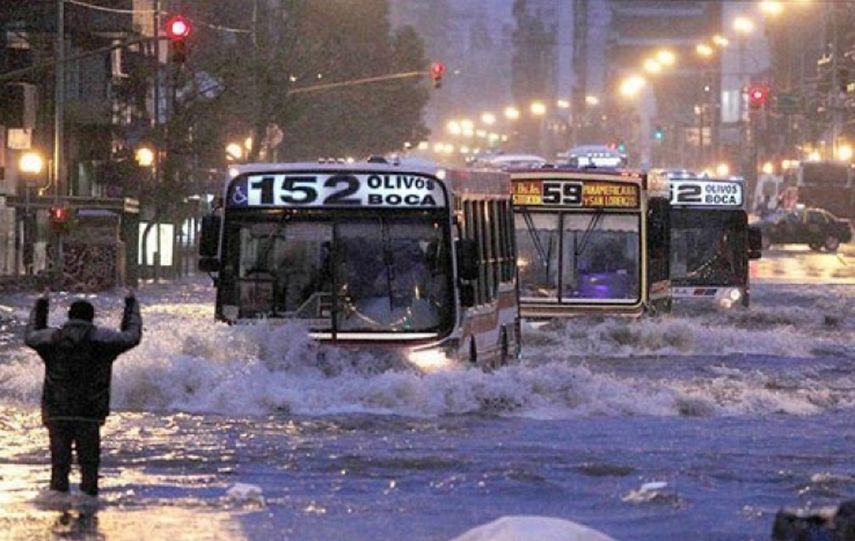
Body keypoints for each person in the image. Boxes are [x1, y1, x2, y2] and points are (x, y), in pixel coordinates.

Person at [25, 289, 142, 497]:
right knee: (89, 468)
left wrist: (41, 304)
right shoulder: (103, 341)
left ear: (69, 317)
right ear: (91, 317)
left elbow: (31, 336)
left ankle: (59, 511)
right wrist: (131, 306)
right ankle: (87, 512)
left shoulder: (53, 339)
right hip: (89, 413)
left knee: (59, 466)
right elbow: (131, 337)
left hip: (56, 411)